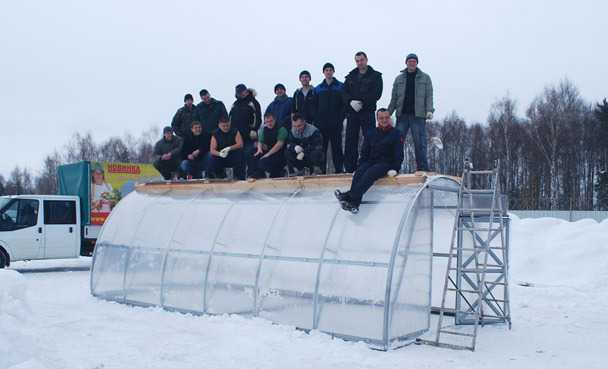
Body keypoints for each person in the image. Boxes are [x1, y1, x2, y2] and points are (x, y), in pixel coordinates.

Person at [335, 109, 404, 213]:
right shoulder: (371, 133)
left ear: (389, 118)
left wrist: (395, 168)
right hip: (371, 161)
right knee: (359, 173)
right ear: (377, 119)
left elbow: (399, 154)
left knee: (370, 173)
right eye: (381, 118)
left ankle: (349, 196)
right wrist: (360, 165)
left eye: (386, 118)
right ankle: (354, 204)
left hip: (386, 163)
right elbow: (364, 152)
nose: (384, 120)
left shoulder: (396, 133)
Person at [388, 53, 434, 172]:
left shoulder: (425, 78)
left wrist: (429, 110)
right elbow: (394, 98)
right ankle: (394, 168)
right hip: (402, 115)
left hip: (418, 116)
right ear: (406, 63)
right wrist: (388, 113)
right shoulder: (399, 79)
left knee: (420, 143)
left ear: (417, 63)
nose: (411, 63)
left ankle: (423, 169)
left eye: (414, 61)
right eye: (409, 61)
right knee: (397, 142)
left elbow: (429, 96)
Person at [342, 51, 383, 173]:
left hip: (367, 112)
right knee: (350, 140)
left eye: (362, 60)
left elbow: (377, 93)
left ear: (366, 60)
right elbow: (344, 93)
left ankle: (369, 165)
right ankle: (350, 168)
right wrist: (350, 102)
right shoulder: (350, 76)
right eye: (357, 61)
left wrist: (361, 102)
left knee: (370, 139)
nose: (360, 63)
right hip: (353, 113)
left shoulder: (375, 76)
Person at [315, 62, 345, 173]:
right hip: (322, 124)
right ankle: (322, 171)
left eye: (330, 70)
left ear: (333, 71)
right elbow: (315, 106)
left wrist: (341, 117)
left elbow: (344, 104)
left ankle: (339, 170)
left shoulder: (340, 86)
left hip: (336, 123)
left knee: (337, 148)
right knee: (322, 148)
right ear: (323, 72)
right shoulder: (318, 89)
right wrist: (317, 119)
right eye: (326, 70)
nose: (328, 72)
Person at [229, 84, 262, 177]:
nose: (241, 94)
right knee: (238, 157)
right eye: (239, 92)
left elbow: (258, 117)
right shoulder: (235, 104)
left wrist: (254, 129)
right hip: (237, 136)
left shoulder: (253, 102)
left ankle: (252, 175)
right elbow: (230, 118)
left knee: (250, 154)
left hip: (249, 135)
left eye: (243, 91)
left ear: (246, 91)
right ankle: (238, 177)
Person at [249, 112, 288, 178]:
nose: (269, 123)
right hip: (268, 150)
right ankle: (258, 174)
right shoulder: (263, 129)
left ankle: (279, 172)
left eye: (271, 121)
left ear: (275, 120)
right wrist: (259, 149)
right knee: (252, 153)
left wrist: (268, 154)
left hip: (279, 153)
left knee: (263, 162)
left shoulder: (281, 129)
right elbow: (260, 141)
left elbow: (279, 145)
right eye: (267, 121)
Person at [208, 116, 246, 180]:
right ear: (219, 125)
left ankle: (240, 177)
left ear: (230, 124)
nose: (226, 127)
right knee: (211, 157)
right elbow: (212, 150)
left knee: (241, 153)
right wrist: (220, 154)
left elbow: (240, 144)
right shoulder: (215, 133)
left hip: (233, 155)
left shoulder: (235, 131)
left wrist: (229, 148)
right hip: (221, 157)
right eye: (223, 126)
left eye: (227, 125)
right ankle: (219, 176)